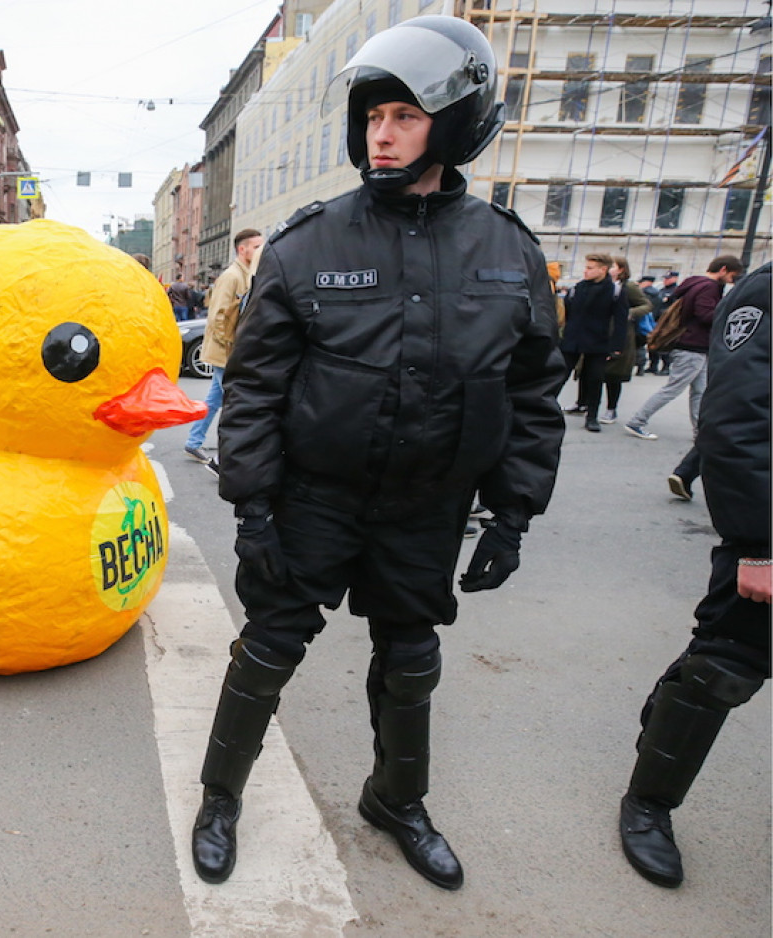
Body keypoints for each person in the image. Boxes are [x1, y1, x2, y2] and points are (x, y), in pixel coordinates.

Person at [189, 16, 566, 891]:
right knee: (270, 648)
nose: (382, 135)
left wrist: (513, 515)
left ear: (457, 119)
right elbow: (254, 388)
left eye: (402, 116)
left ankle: (397, 799)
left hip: (426, 508)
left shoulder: (507, 248)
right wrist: (252, 509)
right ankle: (219, 797)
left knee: (410, 659)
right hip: (314, 501)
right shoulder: (308, 243)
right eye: (372, 118)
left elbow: (532, 394)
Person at [617, 261, 770, 888]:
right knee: (724, 669)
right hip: (771, 531)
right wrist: (759, 544)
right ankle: (650, 803)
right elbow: (737, 422)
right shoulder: (765, 291)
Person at [625, 255, 744, 441]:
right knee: (674, 388)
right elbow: (706, 315)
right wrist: (727, 311)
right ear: (723, 270)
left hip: (693, 344)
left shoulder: (695, 283)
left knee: (700, 391)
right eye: (732, 276)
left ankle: (700, 432)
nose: (732, 280)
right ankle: (637, 421)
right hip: (693, 345)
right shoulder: (709, 287)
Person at [183, 227, 264, 472]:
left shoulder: (246, 273)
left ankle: (194, 442)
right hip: (225, 352)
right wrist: (231, 348)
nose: (262, 250)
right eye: (257, 246)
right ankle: (221, 453)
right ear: (243, 249)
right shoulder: (232, 276)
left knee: (218, 399)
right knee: (230, 402)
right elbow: (218, 317)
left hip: (229, 350)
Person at [560, 254, 627, 432]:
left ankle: (592, 417)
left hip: (598, 342)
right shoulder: (577, 288)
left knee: (595, 380)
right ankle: (545, 411)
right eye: (586, 267)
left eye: (590, 268)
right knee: (559, 376)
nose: (585, 271)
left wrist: (617, 347)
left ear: (602, 270)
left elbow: (621, 322)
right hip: (572, 340)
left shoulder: (615, 291)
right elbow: (567, 313)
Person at [600, 256, 652, 425]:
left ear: (622, 269)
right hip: (600, 331)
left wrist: (628, 313)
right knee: (593, 371)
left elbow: (646, 305)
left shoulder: (628, 286)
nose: (609, 269)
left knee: (613, 373)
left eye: (613, 266)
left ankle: (611, 409)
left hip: (620, 333)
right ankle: (583, 403)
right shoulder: (603, 284)